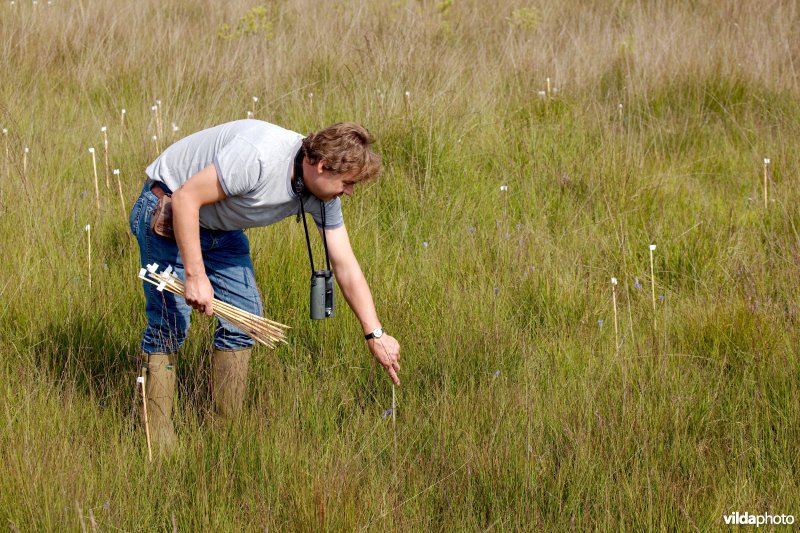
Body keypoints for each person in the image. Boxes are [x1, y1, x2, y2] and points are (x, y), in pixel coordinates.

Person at [128, 119, 401, 450]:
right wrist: (196, 277)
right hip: (167, 210)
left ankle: (222, 437)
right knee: (170, 324)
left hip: (220, 228)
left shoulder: (322, 195)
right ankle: (156, 442)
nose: (349, 191)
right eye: (346, 183)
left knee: (247, 321)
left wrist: (376, 334)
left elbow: (344, 264)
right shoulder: (259, 156)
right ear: (321, 166)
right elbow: (186, 198)